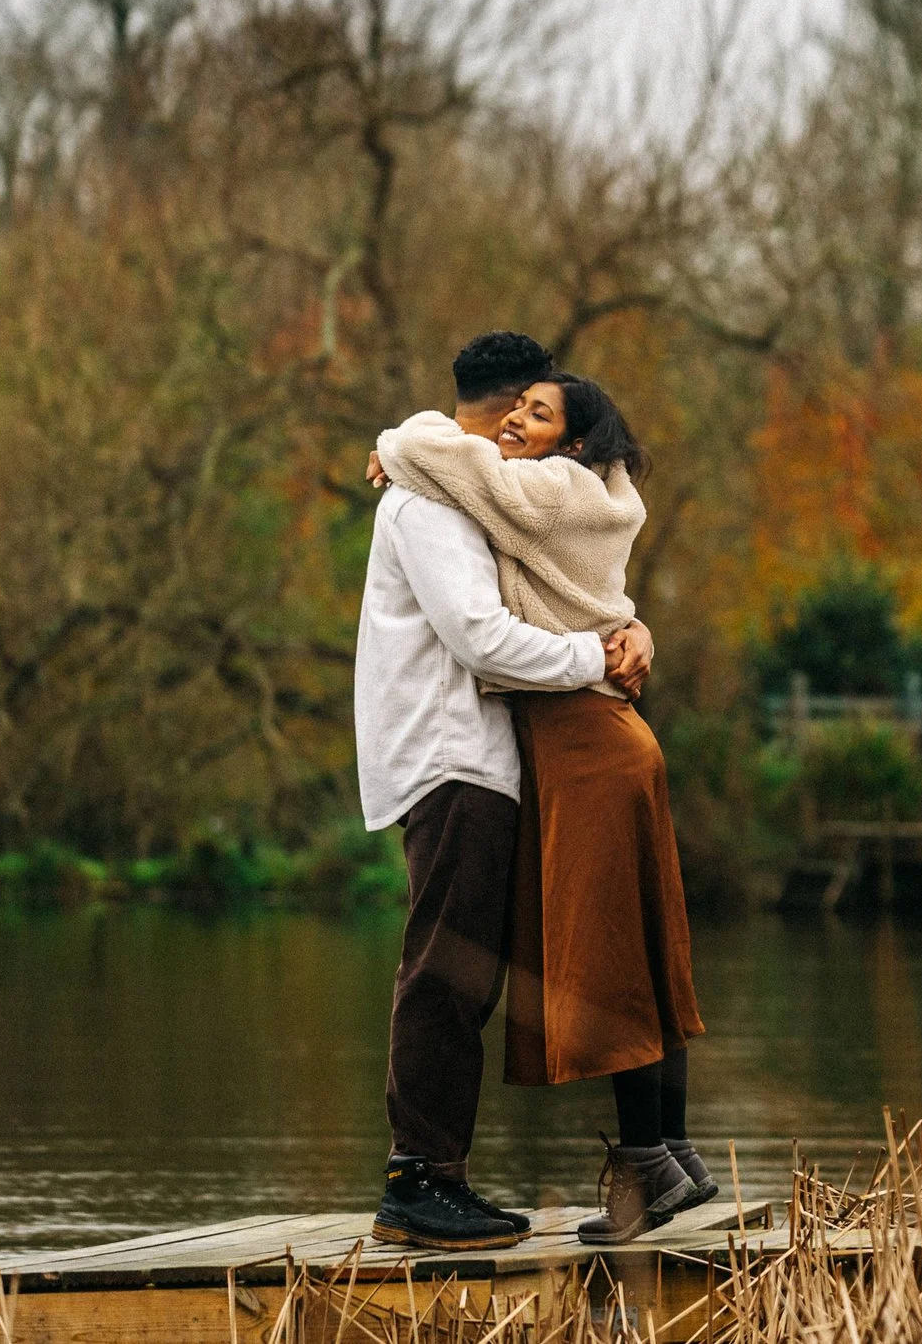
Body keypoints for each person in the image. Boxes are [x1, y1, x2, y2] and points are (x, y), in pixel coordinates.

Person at [373, 369, 714, 1246]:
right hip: (575, 739)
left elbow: (489, 633)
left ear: (571, 441)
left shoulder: (526, 489)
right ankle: (668, 1150)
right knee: (640, 942)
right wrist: (624, 637)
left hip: (583, 741)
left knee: (609, 957)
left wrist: (395, 445)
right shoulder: (579, 494)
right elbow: (580, 601)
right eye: (515, 408)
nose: (517, 425)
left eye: (539, 413)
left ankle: (643, 1164)